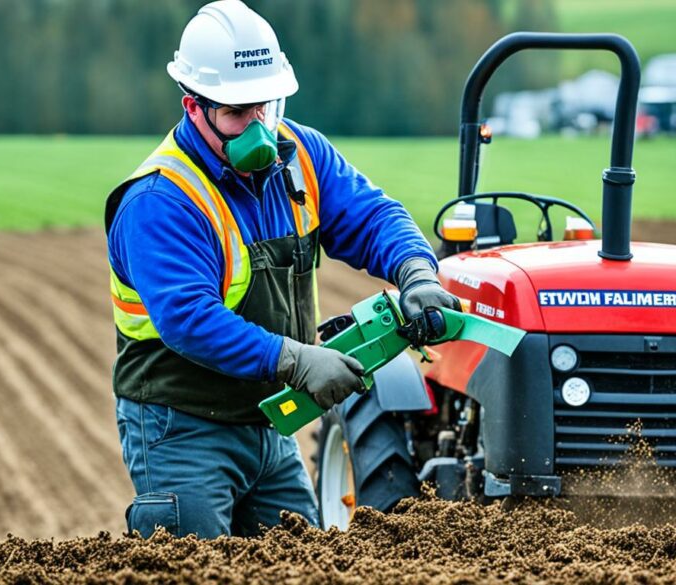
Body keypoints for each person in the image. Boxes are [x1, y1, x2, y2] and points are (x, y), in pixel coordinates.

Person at [104, 0, 459, 539]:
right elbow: (188, 318)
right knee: (190, 566)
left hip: (269, 424)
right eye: (236, 113)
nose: (257, 130)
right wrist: (294, 359)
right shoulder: (159, 201)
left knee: (302, 557)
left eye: (264, 108)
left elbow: (372, 215)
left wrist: (417, 273)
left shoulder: (301, 154)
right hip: (181, 430)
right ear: (194, 107)